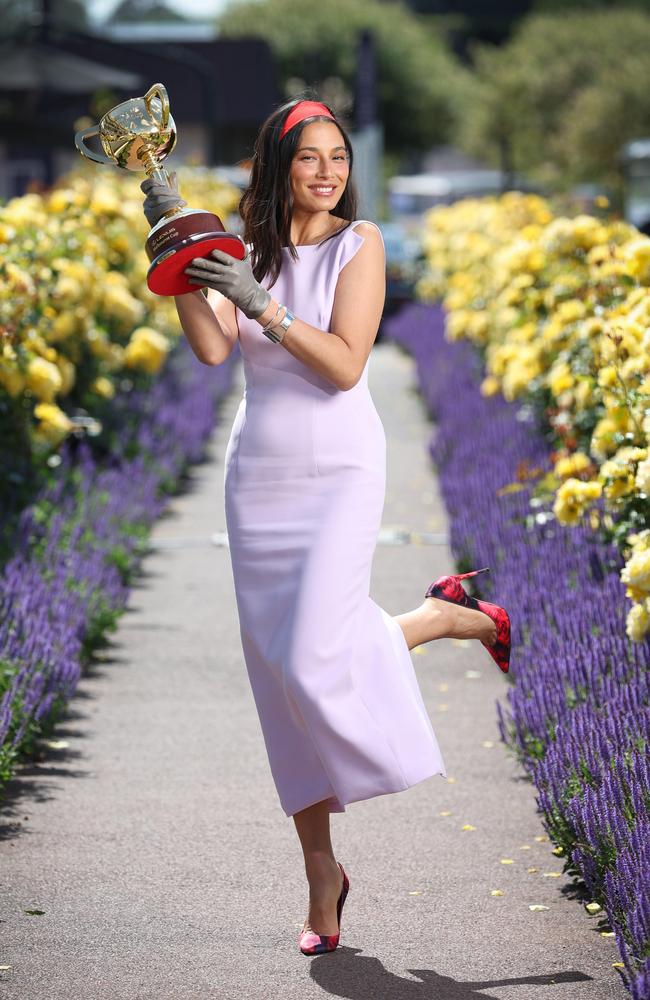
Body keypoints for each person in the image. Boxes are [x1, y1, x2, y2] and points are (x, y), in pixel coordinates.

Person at [141, 96, 511, 957]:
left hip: (339, 468)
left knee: (312, 656)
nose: (328, 171)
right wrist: (181, 255)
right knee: (279, 678)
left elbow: (346, 366)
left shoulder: (362, 243)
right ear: (278, 164)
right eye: (309, 158)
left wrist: (262, 305)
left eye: (337, 156)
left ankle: (444, 617)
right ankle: (321, 873)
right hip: (259, 473)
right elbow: (209, 348)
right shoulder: (247, 242)